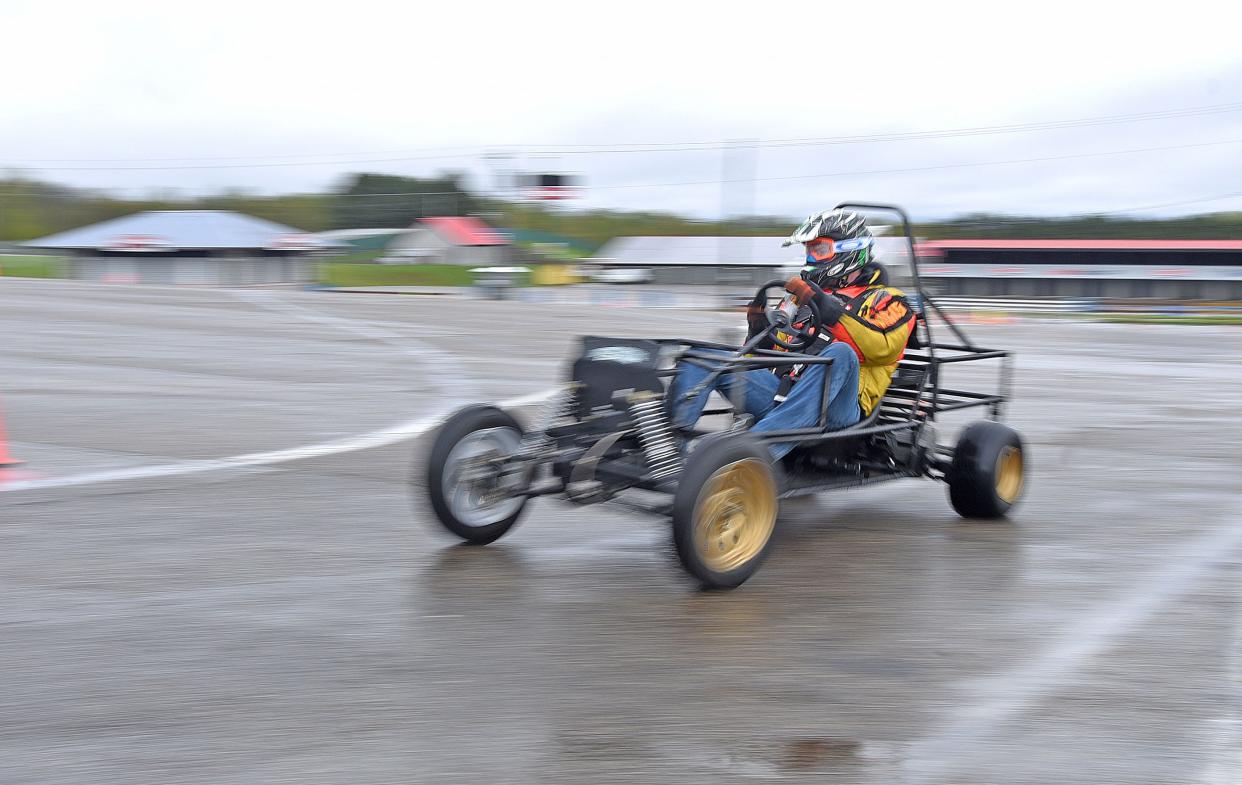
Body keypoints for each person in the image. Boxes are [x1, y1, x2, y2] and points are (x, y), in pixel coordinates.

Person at [670, 209, 917, 460]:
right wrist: (758, 325)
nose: (811, 257)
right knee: (700, 356)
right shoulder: (802, 299)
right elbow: (763, 354)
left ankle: (750, 457)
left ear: (850, 250)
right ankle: (668, 452)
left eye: (819, 250)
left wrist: (830, 310)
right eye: (809, 250)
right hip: (784, 395)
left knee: (841, 354)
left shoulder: (890, 300)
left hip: (840, 411)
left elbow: (882, 349)